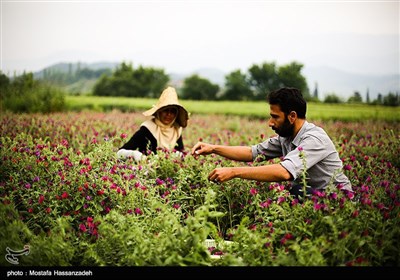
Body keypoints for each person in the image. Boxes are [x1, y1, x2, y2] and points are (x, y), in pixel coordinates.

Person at [191, 87, 352, 198]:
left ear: (292, 116)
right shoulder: (287, 137)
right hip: (312, 195)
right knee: (295, 192)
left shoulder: (314, 139)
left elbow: (284, 172)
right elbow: (252, 152)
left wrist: (234, 172)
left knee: (295, 190)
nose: (270, 123)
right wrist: (213, 148)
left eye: (275, 117)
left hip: (338, 201)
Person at [117, 86, 189, 161]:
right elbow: (120, 152)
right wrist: (134, 155)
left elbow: (181, 153)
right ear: (159, 112)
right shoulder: (147, 129)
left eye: (172, 111)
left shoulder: (176, 130)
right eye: (166, 110)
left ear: (176, 114)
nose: (169, 114)